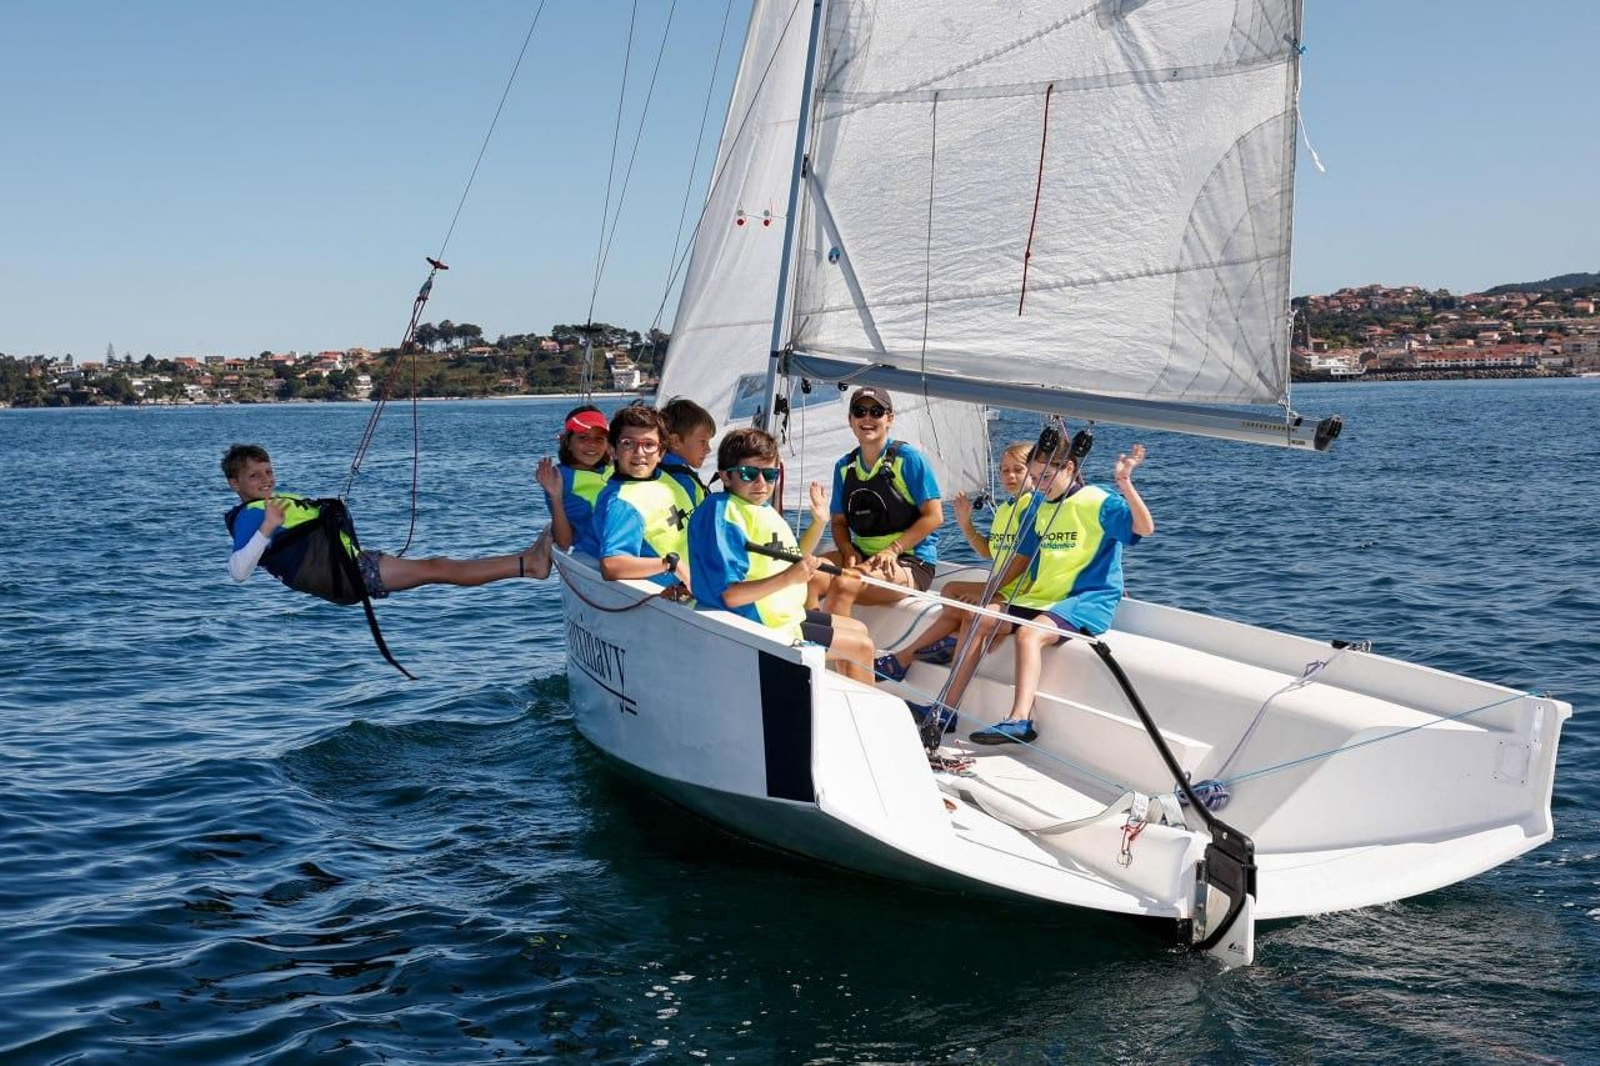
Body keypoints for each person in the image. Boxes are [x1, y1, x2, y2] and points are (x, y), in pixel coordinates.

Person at [929, 435, 1154, 745]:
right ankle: (944, 712)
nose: (1040, 484)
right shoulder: (1039, 508)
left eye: (1046, 476)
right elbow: (1021, 557)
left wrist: (1125, 483)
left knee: (1028, 634)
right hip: (1040, 598)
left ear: (1070, 468)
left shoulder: (1096, 499)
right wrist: (991, 592)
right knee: (977, 619)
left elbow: (1144, 529)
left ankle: (1021, 720)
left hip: (1085, 600)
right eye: (1035, 478)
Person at [223, 443, 543, 601]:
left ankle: (530, 558)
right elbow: (238, 572)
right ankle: (528, 565)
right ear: (234, 484)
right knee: (437, 567)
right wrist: (267, 526)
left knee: (436, 567)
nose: (265, 480)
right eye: (254, 476)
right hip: (353, 574)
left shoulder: (269, 504)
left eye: (268, 472)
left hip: (354, 565)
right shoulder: (252, 517)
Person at [688, 428, 875, 684]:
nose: (762, 484)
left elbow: (792, 557)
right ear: (726, 476)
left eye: (770, 474)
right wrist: (789, 578)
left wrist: (819, 523)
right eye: (749, 474)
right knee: (861, 647)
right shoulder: (724, 514)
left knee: (860, 629)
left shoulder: (757, 507)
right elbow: (731, 595)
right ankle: (862, 722)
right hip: (760, 624)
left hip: (782, 614)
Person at [873, 441, 1035, 681]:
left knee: (963, 604)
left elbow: (1022, 560)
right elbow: (987, 552)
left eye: (1018, 470)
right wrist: (965, 523)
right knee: (950, 589)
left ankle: (908, 656)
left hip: (1019, 592)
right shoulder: (1005, 510)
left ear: (1034, 471)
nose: (1010, 475)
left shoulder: (1032, 506)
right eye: (1004, 470)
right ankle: (937, 645)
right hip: (1004, 586)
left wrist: (990, 593)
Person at [816, 386, 943, 616]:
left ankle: (836, 649)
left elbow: (934, 516)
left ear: (889, 419)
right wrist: (846, 549)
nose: (867, 418)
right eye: (859, 411)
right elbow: (838, 522)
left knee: (845, 583)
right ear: (850, 419)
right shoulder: (844, 467)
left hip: (910, 562)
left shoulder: (909, 459)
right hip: (861, 554)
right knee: (808, 576)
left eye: (876, 411)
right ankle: (803, 647)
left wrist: (892, 550)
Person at [591, 405, 696, 590]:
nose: (639, 452)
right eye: (628, 443)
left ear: (661, 452)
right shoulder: (622, 502)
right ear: (613, 450)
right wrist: (671, 564)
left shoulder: (669, 480)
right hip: (669, 603)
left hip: (699, 589)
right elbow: (611, 565)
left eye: (649, 444)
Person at [533, 405, 613, 568]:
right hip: (600, 557)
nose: (592, 445)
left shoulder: (618, 469)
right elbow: (564, 543)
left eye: (599, 439)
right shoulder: (559, 478)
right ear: (568, 442)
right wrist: (555, 496)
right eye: (583, 438)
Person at [658, 396, 716, 506]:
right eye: (703, 441)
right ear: (675, 441)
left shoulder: (660, 469)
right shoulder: (683, 482)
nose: (708, 449)